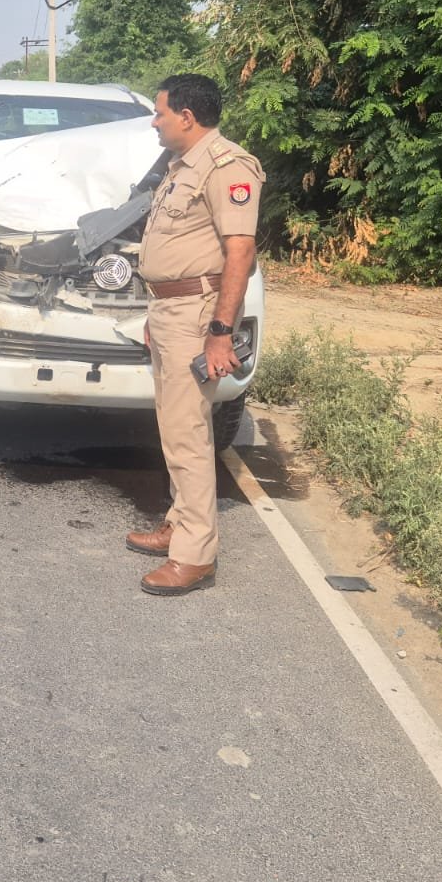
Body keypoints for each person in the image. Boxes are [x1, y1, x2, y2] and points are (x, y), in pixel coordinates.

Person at [126, 73, 264, 596]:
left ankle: (195, 554)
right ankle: (178, 523)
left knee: (188, 436)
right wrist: (155, 311)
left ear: (187, 116)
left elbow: (239, 253)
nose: (154, 121)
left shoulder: (229, 167)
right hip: (170, 310)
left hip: (197, 315)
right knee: (172, 427)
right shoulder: (180, 167)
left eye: (160, 112)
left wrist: (219, 333)